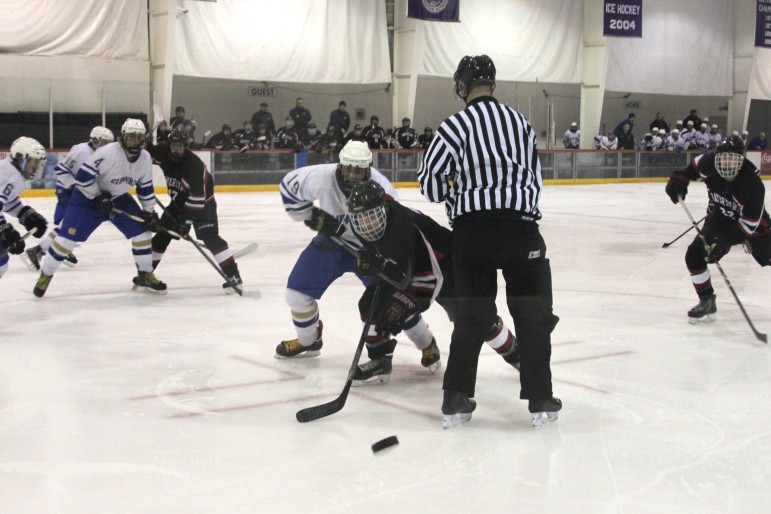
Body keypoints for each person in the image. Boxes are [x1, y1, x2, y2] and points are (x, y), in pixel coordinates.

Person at [418, 54, 561, 429]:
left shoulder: (454, 127)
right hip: (521, 232)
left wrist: (456, 183)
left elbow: (431, 186)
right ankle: (541, 397)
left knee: (472, 317)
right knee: (532, 315)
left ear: (463, 87)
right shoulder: (522, 124)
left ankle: (456, 399)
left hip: (473, 234)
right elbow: (534, 178)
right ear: (492, 84)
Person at [276, 140, 443, 380]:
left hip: (371, 249)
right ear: (340, 164)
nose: (353, 175)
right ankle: (309, 341)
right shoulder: (320, 178)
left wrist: (380, 258)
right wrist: (310, 215)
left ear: (368, 168)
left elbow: (395, 229)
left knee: (393, 303)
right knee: (296, 293)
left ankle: (427, 343)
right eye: (349, 168)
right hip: (331, 244)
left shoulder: (382, 187)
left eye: (359, 169)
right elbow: (289, 186)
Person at [346, 181, 521, 385]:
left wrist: (405, 301)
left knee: (479, 320)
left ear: (383, 209)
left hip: (447, 266)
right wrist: (371, 261)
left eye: (372, 217)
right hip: (408, 267)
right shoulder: (362, 226)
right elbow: (387, 254)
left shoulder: (404, 224)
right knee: (369, 305)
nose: (367, 224)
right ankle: (380, 360)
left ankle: (518, 356)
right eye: (361, 219)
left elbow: (432, 275)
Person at [33, 119, 166, 297]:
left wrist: (149, 213)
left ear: (143, 140)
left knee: (142, 230)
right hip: (86, 199)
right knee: (66, 240)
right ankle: (46, 275)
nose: (134, 141)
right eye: (131, 137)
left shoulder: (145, 158)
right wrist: (97, 195)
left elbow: (145, 189)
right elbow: (82, 177)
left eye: (138, 138)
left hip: (118, 199)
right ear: (123, 138)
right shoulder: (108, 152)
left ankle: (144, 274)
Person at [665, 135, 770, 322]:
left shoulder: (752, 184)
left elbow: (749, 225)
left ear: (742, 160)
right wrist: (680, 178)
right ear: (716, 157)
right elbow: (694, 166)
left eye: (733, 159)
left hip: (752, 223)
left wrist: (722, 244)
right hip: (721, 217)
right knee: (694, 255)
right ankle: (707, 301)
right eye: (724, 158)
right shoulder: (708, 163)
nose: (727, 163)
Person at [147, 126, 243, 291]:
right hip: (178, 203)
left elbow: (197, 200)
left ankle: (234, 275)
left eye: (180, 145)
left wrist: (186, 222)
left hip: (204, 205)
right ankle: (145, 273)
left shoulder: (193, 165)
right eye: (174, 144)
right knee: (162, 236)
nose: (176, 148)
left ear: (186, 146)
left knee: (210, 237)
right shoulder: (164, 152)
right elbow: (143, 155)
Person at [23, 126, 114, 270]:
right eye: (104, 142)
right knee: (69, 224)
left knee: (72, 224)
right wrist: (72, 185)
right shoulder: (81, 150)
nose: (106, 146)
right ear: (94, 139)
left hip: (80, 191)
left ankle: (60, 247)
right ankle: (38, 250)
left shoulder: (100, 154)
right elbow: (62, 169)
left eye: (109, 143)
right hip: (68, 190)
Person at [0, 137, 48, 280]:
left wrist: (24, 214)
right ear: (21, 157)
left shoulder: (11, 171)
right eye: (34, 161)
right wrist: (3, 229)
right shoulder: (10, 174)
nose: (37, 166)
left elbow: (7, 202)